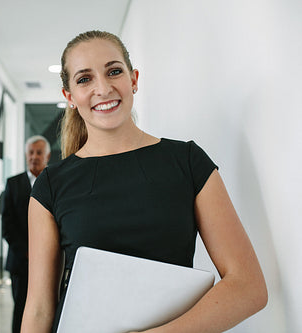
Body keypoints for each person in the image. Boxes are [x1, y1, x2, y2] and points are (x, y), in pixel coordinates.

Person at [21, 30, 267, 333]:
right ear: (69, 97)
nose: (103, 88)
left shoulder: (187, 162)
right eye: (85, 79)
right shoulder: (51, 185)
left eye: (114, 71)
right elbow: (39, 309)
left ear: (133, 79)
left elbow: (248, 286)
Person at [2, 135, 51, 333]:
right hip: (20, 262)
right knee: (20, 310)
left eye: (39, 153)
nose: (34, 157)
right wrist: (27, 251)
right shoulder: (13, 183)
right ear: (25, 155)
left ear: (47, 156)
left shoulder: (53, 182)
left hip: (48, 261)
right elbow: (7, 225)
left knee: (47, 309)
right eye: (31, 152)